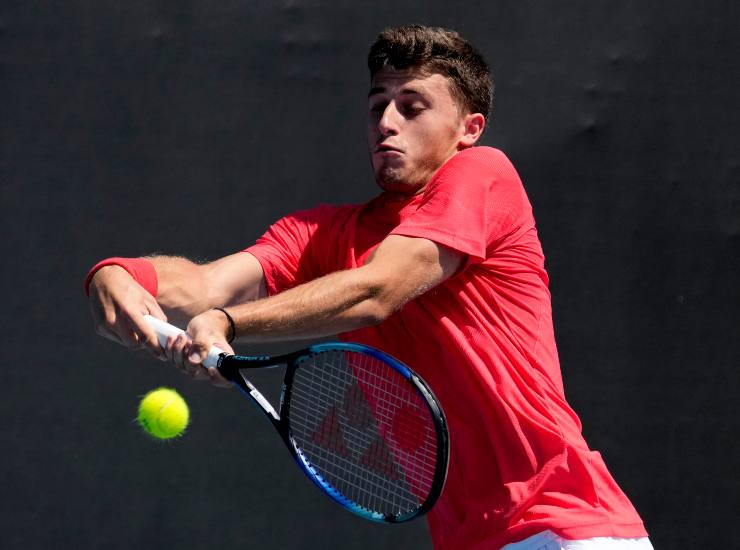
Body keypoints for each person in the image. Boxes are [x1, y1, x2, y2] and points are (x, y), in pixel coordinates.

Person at [85, 25, 652, 550]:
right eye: (379, 105)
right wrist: (122, 274)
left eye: (412, 107)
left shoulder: (485, 174)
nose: (387, 122)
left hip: (568, 528)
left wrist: (230, 325)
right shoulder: (324, 234)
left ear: (468, 130)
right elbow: (208, 284)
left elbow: (377, 290)